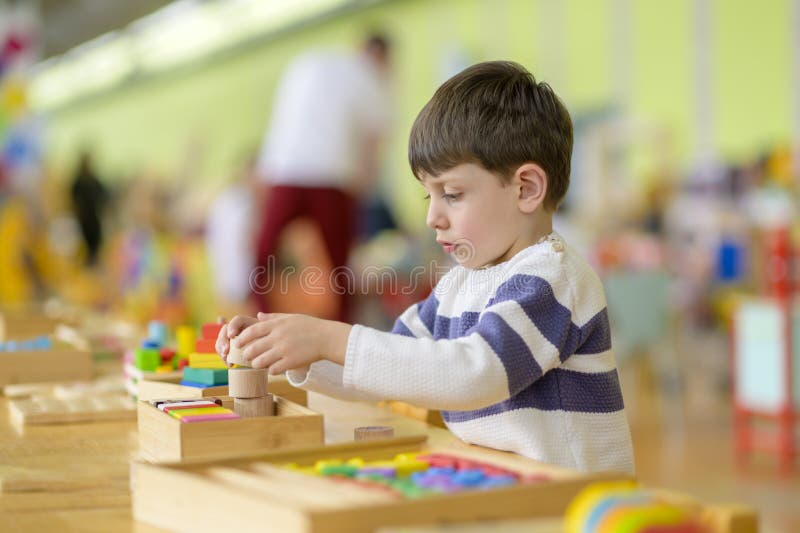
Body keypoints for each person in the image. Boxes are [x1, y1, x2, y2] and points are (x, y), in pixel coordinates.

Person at [218, 61, 634, 474]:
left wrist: (330, 336)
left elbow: (473, 373)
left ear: (525, 189)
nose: (433, 217)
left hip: (571, 502)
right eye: (427, 197)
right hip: (508, 486)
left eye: (451, 194)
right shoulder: (459, 284)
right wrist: (291, 351)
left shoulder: (552, 278)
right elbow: (391, 369)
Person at [252, 33, 391, 322]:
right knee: (338, 265)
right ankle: (341, 332)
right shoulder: (370, 76)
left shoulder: (309, 62)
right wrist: (363, 190)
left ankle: (258, 320)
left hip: (286, 170)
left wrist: (265, 176)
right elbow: (373, 142)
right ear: (382, 57)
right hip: (332, 176)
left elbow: (281, 119)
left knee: (263, 256)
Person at [70, 151, 108, 266]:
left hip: (92, 219)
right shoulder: (79, 182)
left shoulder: (93, 181)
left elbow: (103, 198)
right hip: (83, 220)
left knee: (94, 248)